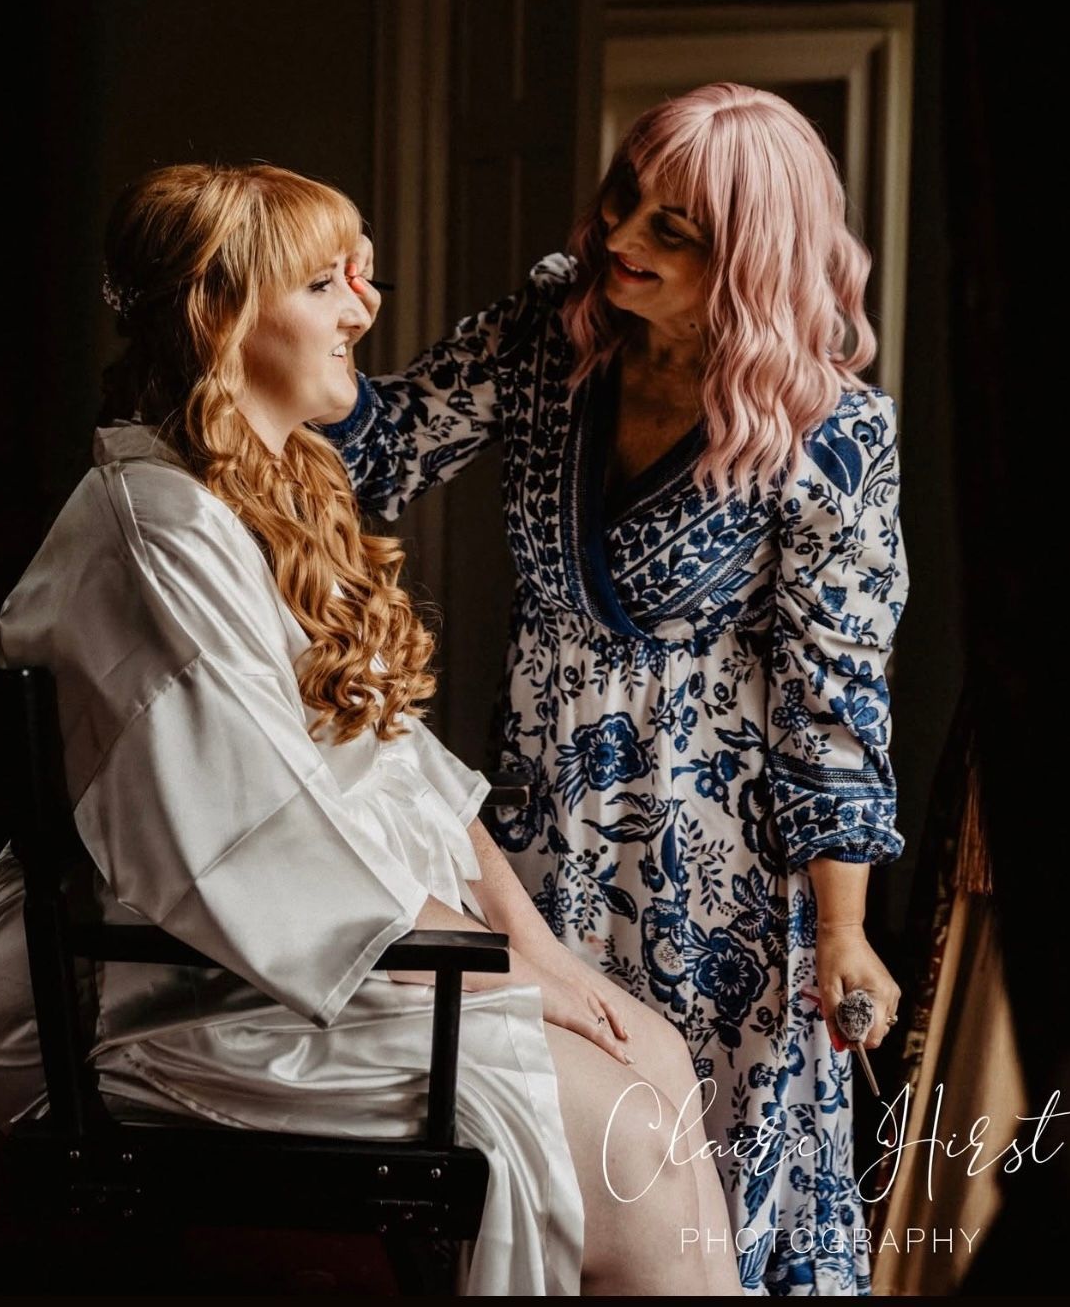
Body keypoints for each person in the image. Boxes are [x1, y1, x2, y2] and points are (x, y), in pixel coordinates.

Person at [0, 163, 743, 1298]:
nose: (365, 310)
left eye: (359, 276)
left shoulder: (272, 488)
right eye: (324, 283)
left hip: (314, 947)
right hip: (169, 991)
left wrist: (541, 955)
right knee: (633, 1145)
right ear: (221, 317)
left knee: (657, 1055)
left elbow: (397, 763)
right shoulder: (155, 531)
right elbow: (262, 836)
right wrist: (499, 973)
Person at [323, 83, 909, 1295]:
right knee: (545, 1163)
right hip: (539, 831)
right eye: (623, 198)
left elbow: (835, 705)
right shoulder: (551, 333)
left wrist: (842, 932)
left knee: (703, 1193)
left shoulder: (833, 432)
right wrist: (282, 318)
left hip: (717, 877)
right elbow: (379, 449)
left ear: (751, 255)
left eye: (671, 229)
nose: (620, 236)